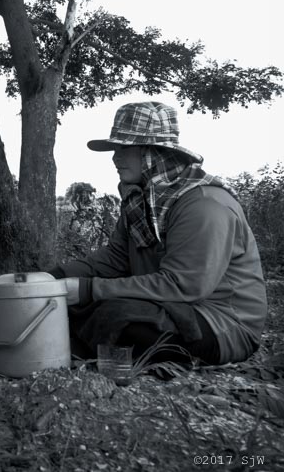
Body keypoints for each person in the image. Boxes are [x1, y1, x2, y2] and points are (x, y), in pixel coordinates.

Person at [47, 101, 267, 365]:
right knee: (62, 305)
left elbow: (182, 285)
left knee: (117, 314)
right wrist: (53, 277)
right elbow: (114, 259)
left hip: (221, 324)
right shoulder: (140, 202)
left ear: (153, 153)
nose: (115, 157)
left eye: (125, 148)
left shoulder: (204, 205)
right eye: (116, 148)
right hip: (167, 307)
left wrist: (87, 289)